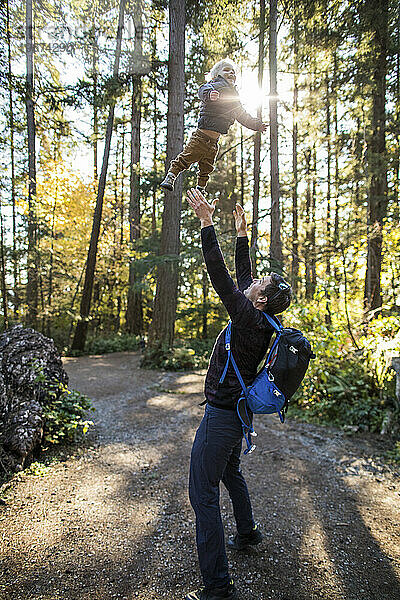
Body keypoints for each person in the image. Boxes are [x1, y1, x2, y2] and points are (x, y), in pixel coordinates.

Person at [185, 188, 292, 600]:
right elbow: (245, 279)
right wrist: (242, 235)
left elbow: (224, 279)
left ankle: (217, 588)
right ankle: (247, 533)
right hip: (238, 414)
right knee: (231, 472)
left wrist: (207, 224)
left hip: (223, 415)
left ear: (260, 299)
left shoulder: (247, 314)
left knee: (202, 491)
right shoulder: (262, 317)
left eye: (260, 284)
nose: (254, 282)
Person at [160, 59, 268, 194]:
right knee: (186, 158)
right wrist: (209, 95)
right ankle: (170, 177)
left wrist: (256, 125)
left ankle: (200, 189)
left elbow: (242, 115)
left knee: (207, 166)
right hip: (201, 137)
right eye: (227, 70)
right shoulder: (214, 85)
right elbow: (202, 90)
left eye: (233, 72)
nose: (231, 73)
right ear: (217, 74)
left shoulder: (235, 97)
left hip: (213, 141)